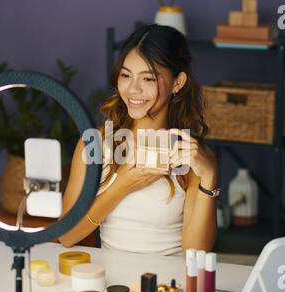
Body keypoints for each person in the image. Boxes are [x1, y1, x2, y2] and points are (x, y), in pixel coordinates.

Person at [58, 24, 218, 256]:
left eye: (148, 79)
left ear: (177, 82)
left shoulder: (190, 154)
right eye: (125, 75)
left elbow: (195, 251)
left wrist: (210, 175)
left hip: (168, 288)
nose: (133, 89)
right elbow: (66, 236)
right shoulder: (95, 143)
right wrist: (123, 185)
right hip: (114, 287)